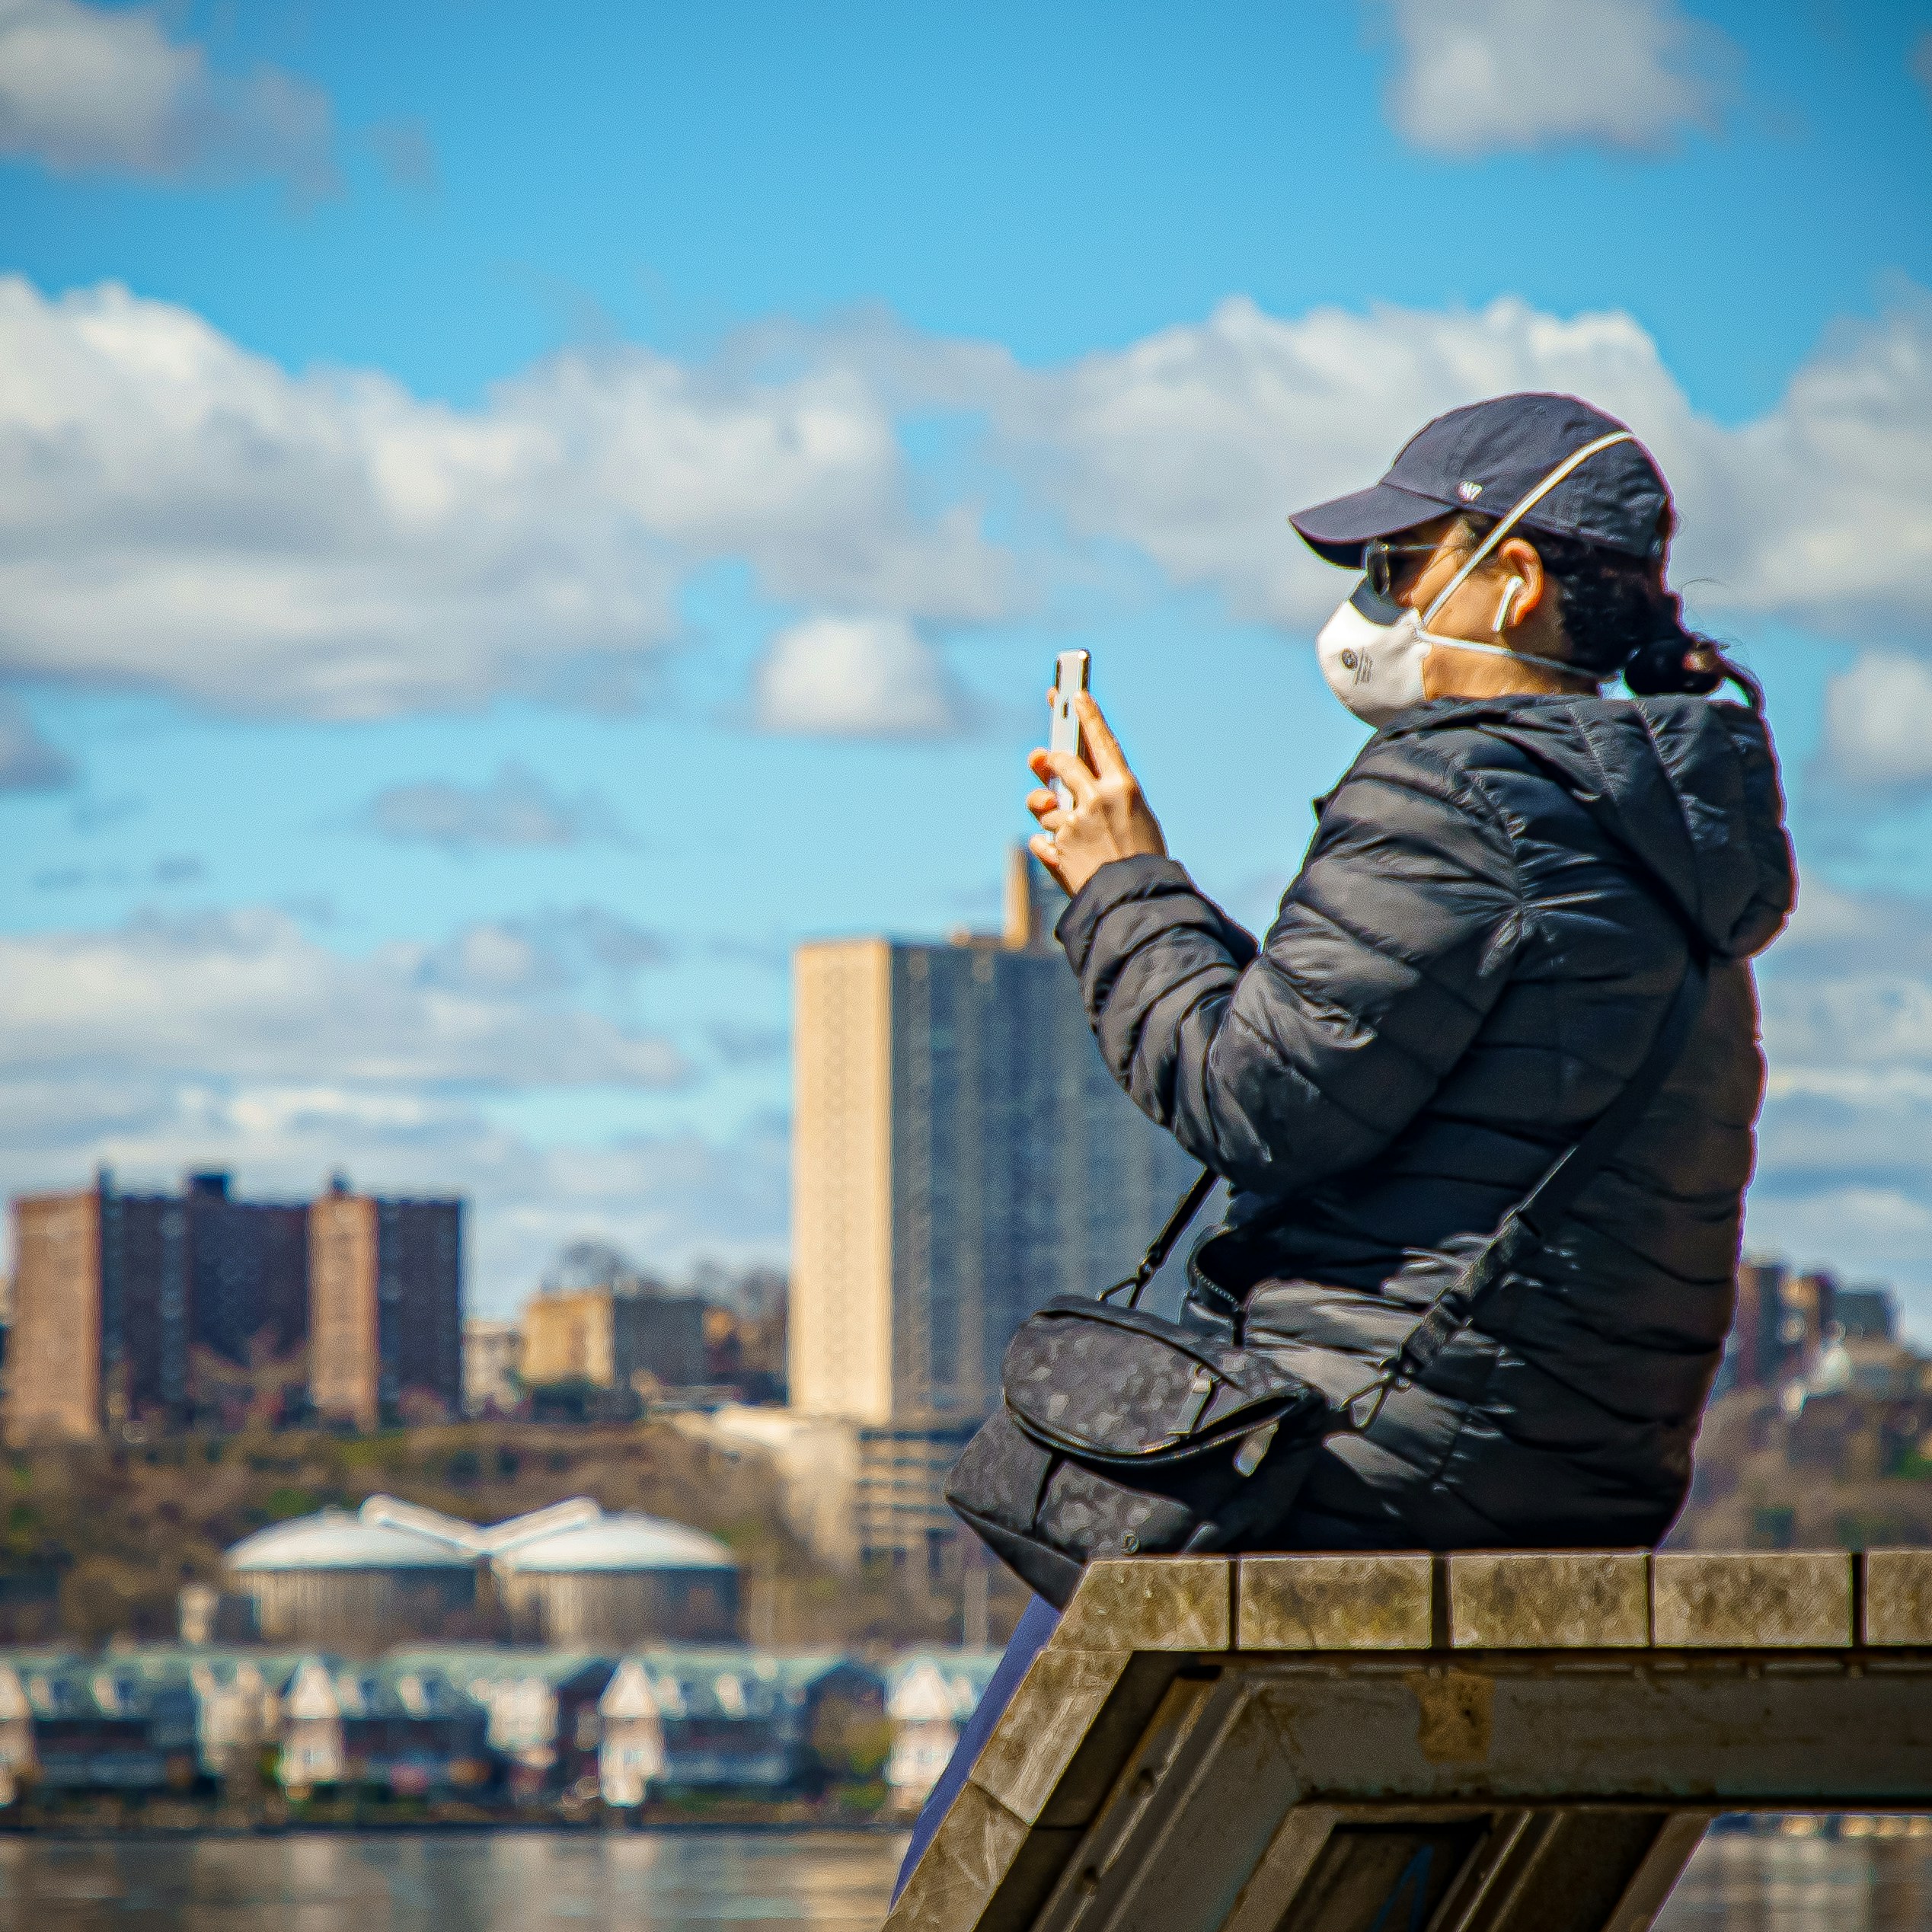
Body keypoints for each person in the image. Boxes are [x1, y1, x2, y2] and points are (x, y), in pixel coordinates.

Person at [894, 391, 1793, 1898]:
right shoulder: (1663, 838)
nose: (1367, 605)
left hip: (1377, 1467)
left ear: (1510, 584)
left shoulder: (1457, 793)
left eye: (1400, 564)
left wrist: (1120, 883)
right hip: (1569, 1479)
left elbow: (1253, 1099)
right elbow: (1358, 1055)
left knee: (990, 1826)